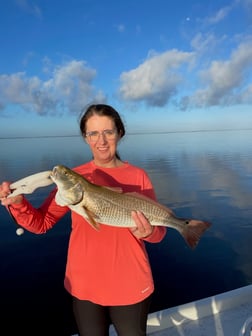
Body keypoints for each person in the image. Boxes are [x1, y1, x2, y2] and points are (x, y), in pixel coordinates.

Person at [0, 104, 166, 336]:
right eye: (93, 133)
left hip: (130, 282)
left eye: (108, 132)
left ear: (120, 133)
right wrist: (19, 205)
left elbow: (159, 234)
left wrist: (148, 232)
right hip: (84, 283)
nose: (102, 140)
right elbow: (41, 223)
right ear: (85, 137)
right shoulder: (74, 180)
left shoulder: (138, 176)